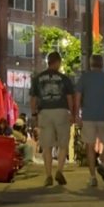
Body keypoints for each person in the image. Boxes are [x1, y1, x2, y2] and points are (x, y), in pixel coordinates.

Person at [30, 51, 75, 187]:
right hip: (61, 111)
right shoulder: (64, 78)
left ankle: (48, 175)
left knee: (47, 146)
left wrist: (34, 115)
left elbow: (33, 99)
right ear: (58, 62)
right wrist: (72, 113)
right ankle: (59, 171)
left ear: (48, 62)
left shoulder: (38, 78)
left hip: (45, 113)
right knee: (63, 144)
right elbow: (69, 98)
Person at [76, 54, 104, 187]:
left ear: (90, 64)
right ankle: (102, 163)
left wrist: (76, 114)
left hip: (88, 117)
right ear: (102, 64)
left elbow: (77, 97)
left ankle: (92, 177)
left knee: (89, 146)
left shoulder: (84, 78)